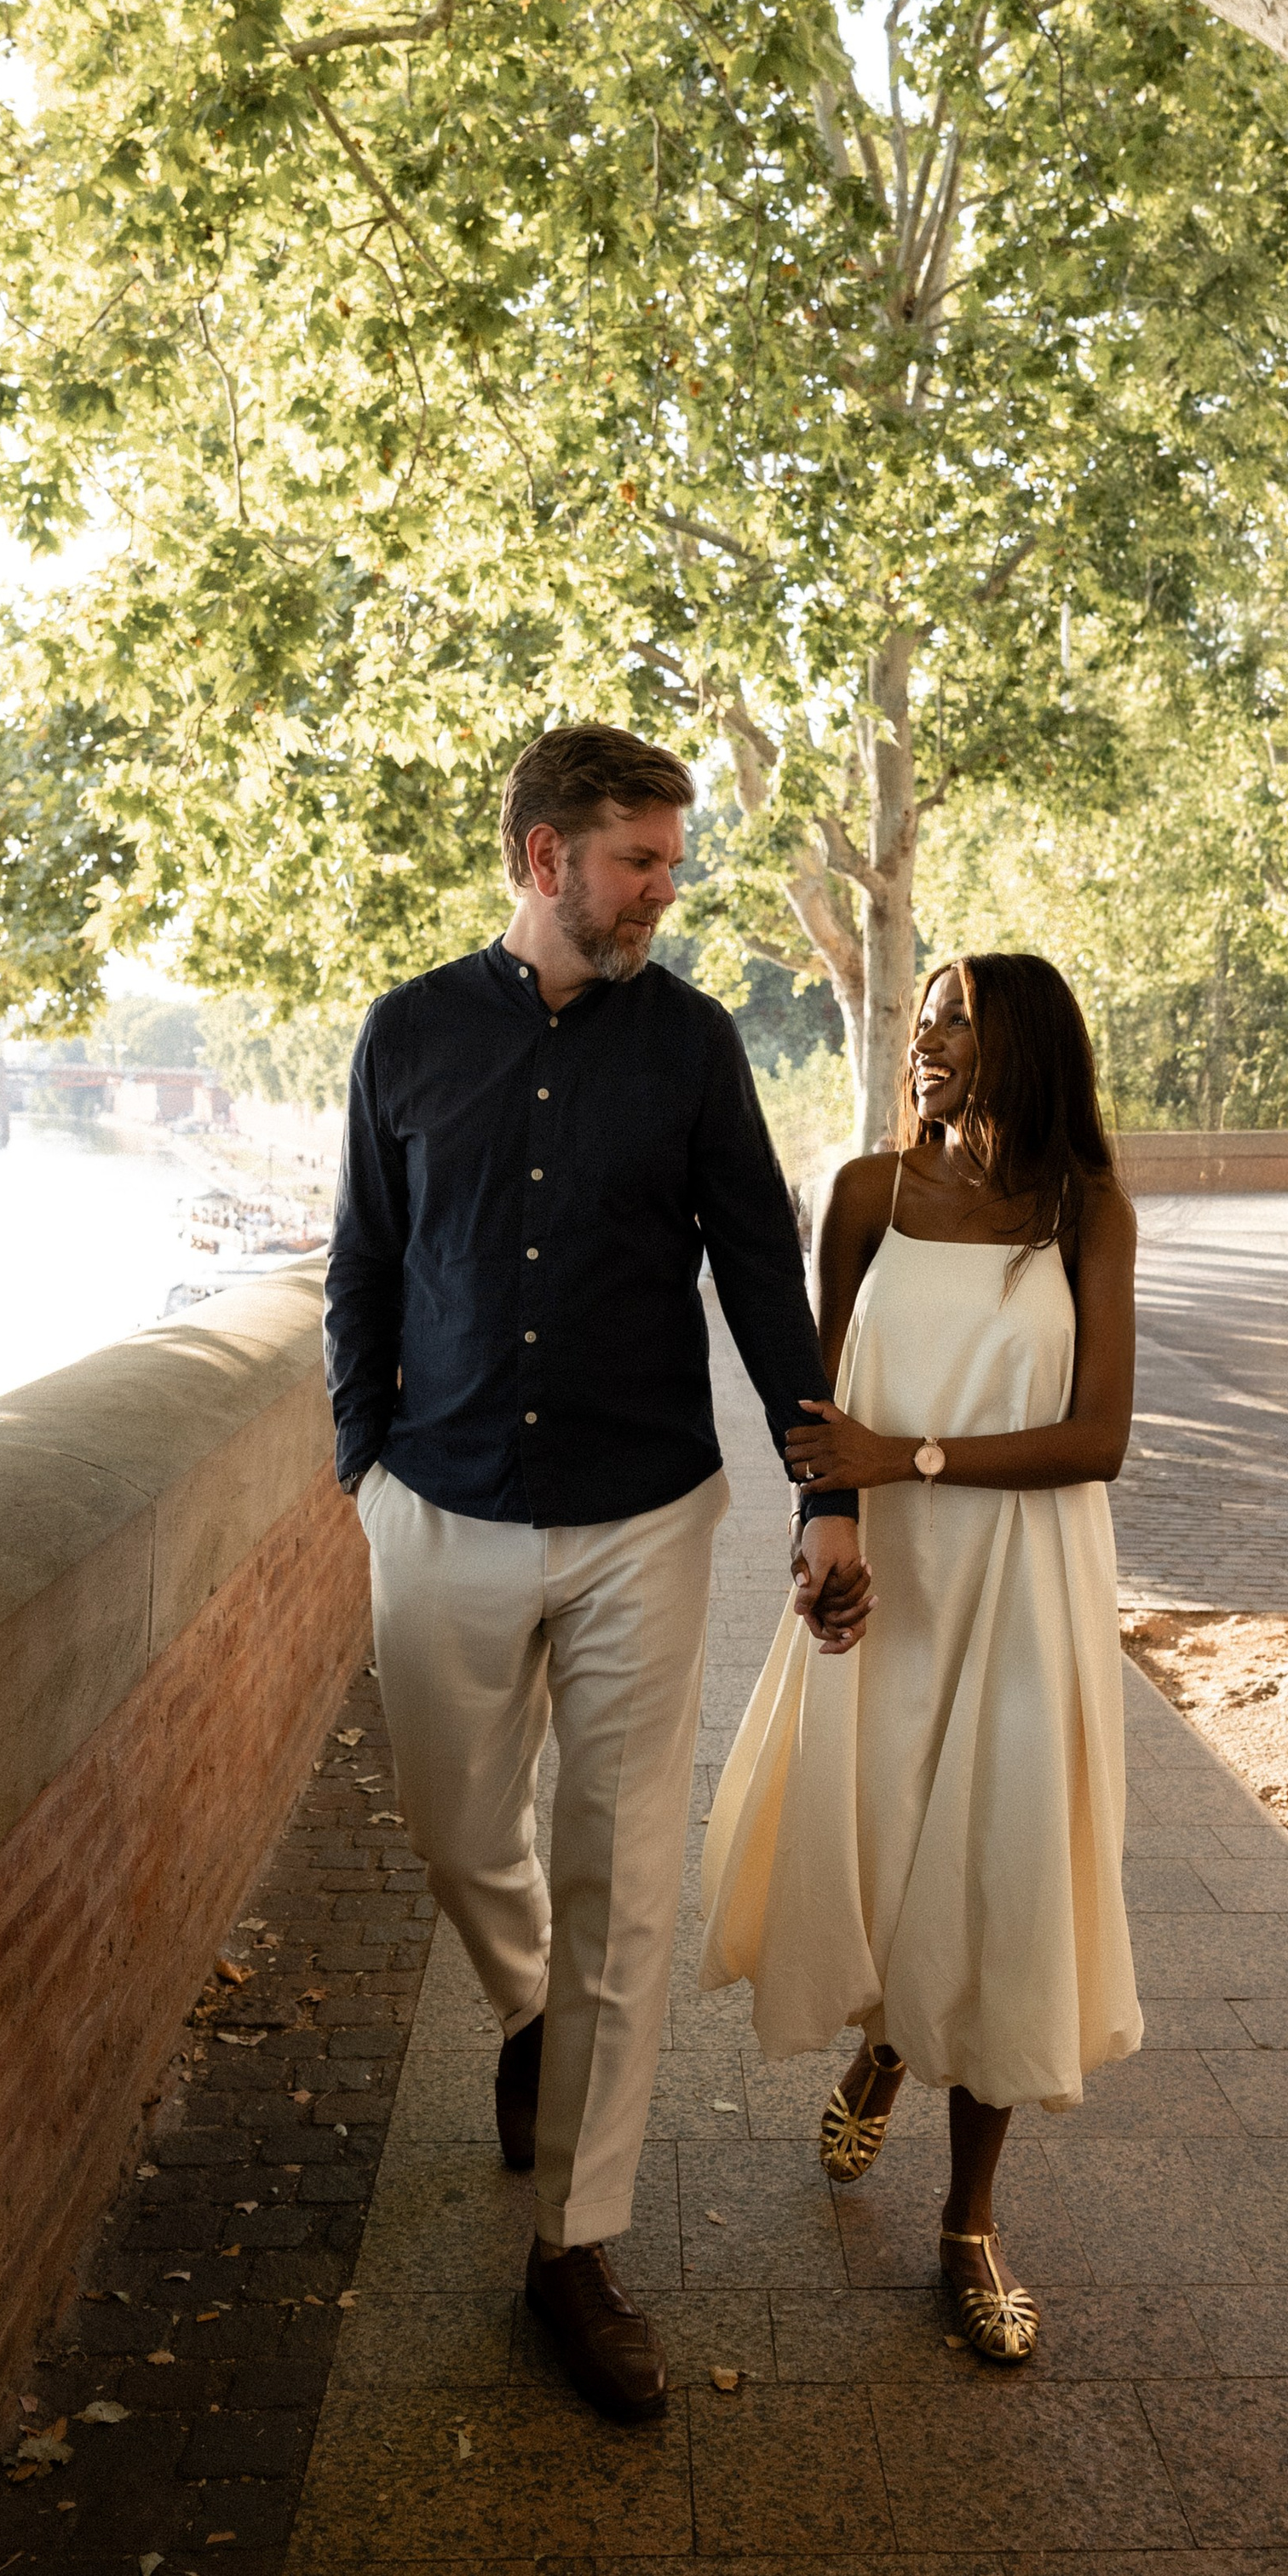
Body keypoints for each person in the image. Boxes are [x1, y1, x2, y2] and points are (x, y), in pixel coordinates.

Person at [323, 722, 825, 2424]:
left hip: (639, 1516)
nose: (662, 893)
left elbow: (760, 1261)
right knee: (462, 1831)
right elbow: (361, 1267)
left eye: (669, 863)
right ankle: (529, 2005)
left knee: (625, 1869)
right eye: (638, 862)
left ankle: (575, 2243)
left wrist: (820, 1491)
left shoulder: (688, 1047)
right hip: (440, 1502)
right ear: (543, 857)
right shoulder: (405, 1032)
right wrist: (359, 1469)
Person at [699, 952, 1141, 2363]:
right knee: (886, 1842)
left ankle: (968, 2223)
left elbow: (1100, 1440)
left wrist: (915, 1456)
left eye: (960, 1016)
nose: (928, 1037)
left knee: (1004, 1873)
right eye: (927, 1014)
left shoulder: (1084, 1211)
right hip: (884, 1584)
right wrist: (818, 1528)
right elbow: (815, 1417)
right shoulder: (867, 1197)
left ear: (1025, 1047)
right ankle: (887, 2035)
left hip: (1027, 1585)